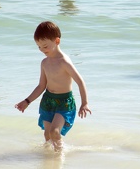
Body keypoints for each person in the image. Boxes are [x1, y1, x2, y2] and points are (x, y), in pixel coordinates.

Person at [15, 21, 91, 152]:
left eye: (45, 46)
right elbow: (41, 86)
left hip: (64, 103)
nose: (42, 50)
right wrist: (27, 101)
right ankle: (49, 159)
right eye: (39, 47)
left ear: (57, 41)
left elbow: (80, 81)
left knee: (55, 132)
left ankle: (60, 154)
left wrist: (84, 103)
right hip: (48, 101)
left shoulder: (64, 62)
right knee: (47, 134)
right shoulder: (44, 63)